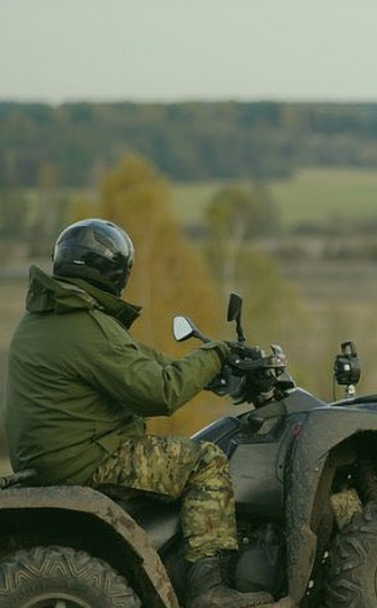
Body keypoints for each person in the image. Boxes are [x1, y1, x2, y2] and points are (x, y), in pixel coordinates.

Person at [3, 219, 273, 608]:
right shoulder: (84, 324)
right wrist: (216, 355)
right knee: (207, 461)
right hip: (86, 457)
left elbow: (138, 361)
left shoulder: (46, 316)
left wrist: (202, 366)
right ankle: (210, 590)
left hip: (50, 456)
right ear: (113, 272)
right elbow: (160, 392)